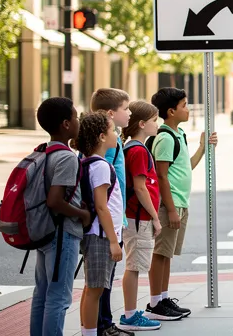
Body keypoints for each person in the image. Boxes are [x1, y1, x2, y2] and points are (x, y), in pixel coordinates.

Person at [147, 88, 217, 320]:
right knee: (160, 253)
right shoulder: (165, 137)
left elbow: (186, 167)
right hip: (170, 205)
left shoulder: (179, 135)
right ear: (171, 111)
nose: (187, 109)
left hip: (179, 204)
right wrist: (170, 209)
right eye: (184, 105)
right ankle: (155, 303)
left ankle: (163, 298)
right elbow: (162, 176)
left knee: (167, 254)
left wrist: (203, 147)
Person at [30, 98, 92, 336]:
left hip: (44, 232)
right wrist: (82, 213)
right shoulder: (66, 157)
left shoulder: (44, 151)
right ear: (66, 124)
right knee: (58, 298)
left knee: (42, 294)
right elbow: (55, 200)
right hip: (62, 233)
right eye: (76, 117)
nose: (78, 121)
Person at [89, 88, 132, 336]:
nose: (129, 113)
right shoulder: (106, 144)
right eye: (125, 109)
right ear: (109, 114)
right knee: (101, 281)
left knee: (106, 278)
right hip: (105, 224)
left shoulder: (113, 140)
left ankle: (105, 322)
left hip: (116, 218)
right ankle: (102, 325)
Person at [77, 111, 124, 336]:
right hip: (100, 236)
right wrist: (114, 242)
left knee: (91, 288)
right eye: (113, 130)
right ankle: (90, 333)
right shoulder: (101, 166)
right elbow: (102, 206)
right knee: (95, 290)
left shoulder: (88, 162)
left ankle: (88, 330)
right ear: (101, 136)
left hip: (96, 234)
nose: (116, 133)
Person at [118, 101, 163, 331]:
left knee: (135, 264)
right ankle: (129, 315)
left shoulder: (134, 148)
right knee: (134, 265)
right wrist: (155, 217)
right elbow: (140, 187)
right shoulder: (137, 150)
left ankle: (130, 313)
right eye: (155, 120)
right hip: (138, 217)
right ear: (142, 124)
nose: (158, 124)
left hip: (136, 216)